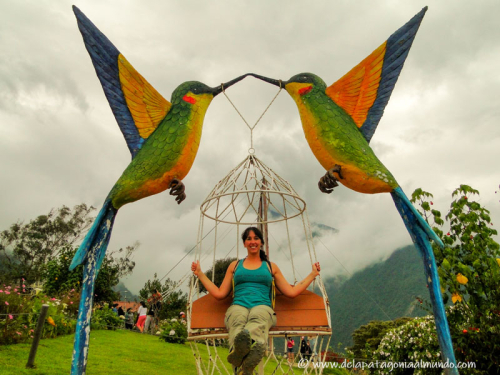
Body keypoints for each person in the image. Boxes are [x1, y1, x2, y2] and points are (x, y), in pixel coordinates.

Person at [191, 226, 320, 375]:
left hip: (263, 306)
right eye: (249, 239)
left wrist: (312, 274)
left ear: (261, 242)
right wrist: (200, 274)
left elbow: (291, 292)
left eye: (256, 238)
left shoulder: (271, 267)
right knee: (237, 318)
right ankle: (244, 362)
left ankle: (243, 354)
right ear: (244, 243)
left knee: (257, 318)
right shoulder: (235, 266)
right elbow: (220, 294)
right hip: (238, 305)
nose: (252, 242)